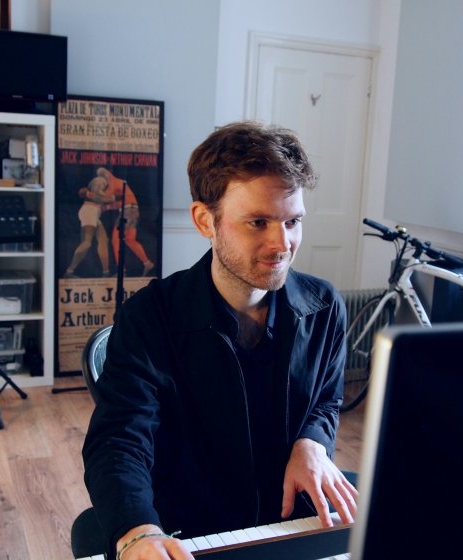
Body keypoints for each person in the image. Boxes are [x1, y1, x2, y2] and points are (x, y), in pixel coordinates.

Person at [82, 121, 357, 560]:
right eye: (258, 222)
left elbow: (325, 400)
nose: (281, 243)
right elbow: (120, 438)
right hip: (187, 525)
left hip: (288, 515)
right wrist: (137, 532)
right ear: (204, 221)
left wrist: (312, 442)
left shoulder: (325, 306)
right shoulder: (149, 317)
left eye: (293, 221)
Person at [97, 167, 156, 277]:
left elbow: (107, 196)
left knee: (115, 240)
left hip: (127, 212)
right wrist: (107, 207)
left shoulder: (112, 182)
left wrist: (94, 194)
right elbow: (122, 202)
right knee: (130, 240)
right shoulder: (120, 183)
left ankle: (121, 271)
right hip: (133, 210)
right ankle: (147, 263)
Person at [64, 175, 115, 278]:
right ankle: (69, 272)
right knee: (87, 243)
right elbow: (106, 199)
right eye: (103, 184)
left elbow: (106, 203)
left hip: (94, 213)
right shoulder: (92, 192)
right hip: (89, 212)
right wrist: (112, 198)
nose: (105, 186)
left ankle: (106, 272)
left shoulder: (95, 194)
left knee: (103, 240)